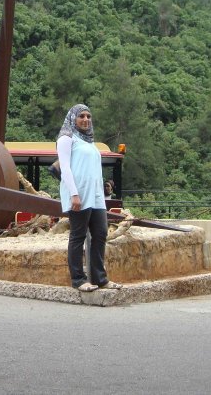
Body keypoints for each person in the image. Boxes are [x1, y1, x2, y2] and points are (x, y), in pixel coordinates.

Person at [56, 104, 122, 292]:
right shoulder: (67, 138)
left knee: (101, 233)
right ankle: (78, 279)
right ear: (73, 118)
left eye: (88, 116)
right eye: (81, 116)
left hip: (95, 195)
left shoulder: (90, 141)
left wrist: (101, 194)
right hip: (79, 193)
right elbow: (65, 168)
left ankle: (100, 278)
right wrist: (74, 194)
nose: (85, 120)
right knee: (78, 235)